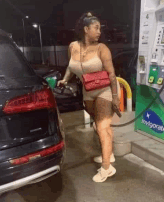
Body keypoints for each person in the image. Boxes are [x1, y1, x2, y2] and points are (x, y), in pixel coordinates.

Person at [57, 12, 121, 183]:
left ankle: (107, 168)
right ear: (86, 29)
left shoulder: (102, 48)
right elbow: (72, 66)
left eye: (100, 28)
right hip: (88, 91)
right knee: (98, 125)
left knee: (102, 127)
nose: (99, 31)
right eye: (96, 28)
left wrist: (115, 97)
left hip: (105, 90)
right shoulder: (73, 46)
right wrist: (65, 79)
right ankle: (110, 154)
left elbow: (112, 75)